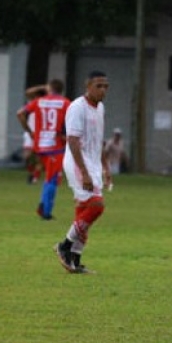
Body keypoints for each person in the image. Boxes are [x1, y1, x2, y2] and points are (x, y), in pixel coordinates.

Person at [53, 71, 112, 274]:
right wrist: (85, 173)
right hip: (78, 163)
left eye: (106, 86)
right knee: (96, 206)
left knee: (84, 211)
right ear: (88, 86)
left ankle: (75, 261)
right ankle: (65, 245)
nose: (103, 90)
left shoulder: (100, 108)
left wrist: (105, 167)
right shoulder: (77, 107)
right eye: (98, 85)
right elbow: (72, 141)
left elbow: (99, 140)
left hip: (93, 164)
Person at [19, 79, 71, 220]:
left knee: (48, 176)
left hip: (40, 145)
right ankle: (46, 212)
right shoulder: (66, 103)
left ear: (50, 88)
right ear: (61, 90)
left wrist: (29, 131)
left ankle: (42, 205)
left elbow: (20, 114)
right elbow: (72, 120)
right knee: (53, 179)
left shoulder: (39, 101)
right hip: (55, 146)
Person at [21, 85, 47, 185]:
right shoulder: (34, 102)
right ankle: (31, 172)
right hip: (30, 132)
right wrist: (43, 87)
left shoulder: (47, 103)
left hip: (42, 133)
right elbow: (27, 92)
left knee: (39, 158)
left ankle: (34, 178)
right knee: (27, 156)